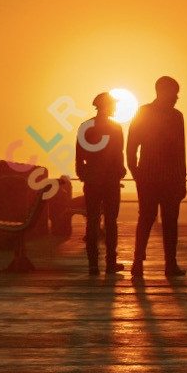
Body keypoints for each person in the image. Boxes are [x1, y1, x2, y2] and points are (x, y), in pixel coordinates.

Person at [126, 76, 187, 279]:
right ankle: (141, 263)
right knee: (151, 219)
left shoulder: (173, 115)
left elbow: (180, 150)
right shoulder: (154, 114)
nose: (177, 97)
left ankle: (164, 263)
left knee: (155, 220)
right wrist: (135, 171)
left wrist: (136, 171)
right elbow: (133, 144)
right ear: (163, 91)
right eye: (174, 92)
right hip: (155, 177)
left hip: (157, 177)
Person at [76, 92, 126, 276]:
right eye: (113, 104)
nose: (115, 107)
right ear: (107, 106)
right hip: (110, 180)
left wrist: (83, 174)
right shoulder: (115, 127)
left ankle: (93, 265)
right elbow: (118, 154)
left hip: (92, 180)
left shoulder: (85, 127)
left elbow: (79, 156)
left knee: (93, 220)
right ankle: (111, 263)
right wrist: (120, 171)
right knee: (111, 221)